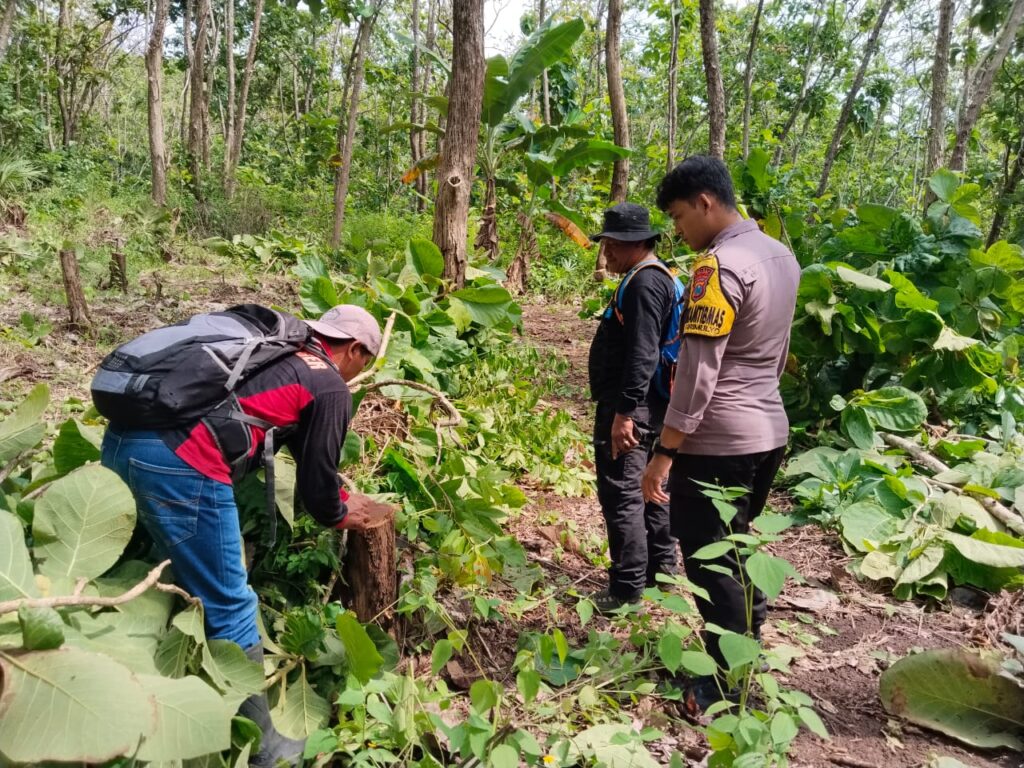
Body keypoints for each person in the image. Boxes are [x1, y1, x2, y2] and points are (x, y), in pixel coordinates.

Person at [99, 304, 385, 768]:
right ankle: (265, 751)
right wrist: (339, 514)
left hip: (120, 443)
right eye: (365, 361)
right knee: (231, 605)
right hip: (180, 464)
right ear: (354, 350)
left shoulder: (278, 354)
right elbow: (318, 490)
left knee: (155, 567)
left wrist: (336, 493)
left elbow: (299, 448)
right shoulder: (329, 383)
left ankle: (126, 679)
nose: (359, 372)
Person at [640, 155, 800, 711]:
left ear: (706, 203)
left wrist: (665, 451)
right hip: (767, 430)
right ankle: (744, 653)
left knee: (711, 561)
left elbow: (696, 372)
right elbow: (777, 351)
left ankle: (725, 683)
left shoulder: (716, 268)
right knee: (738, 549)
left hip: (717, 441)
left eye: (679, 217)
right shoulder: (780, 255)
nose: (679, 230)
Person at [588, 202, 681, 613]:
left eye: (612, 243)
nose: (606, 251)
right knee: (650, 487)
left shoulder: (644, 283)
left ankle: (626, 588)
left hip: (633, 408)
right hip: (651, 404)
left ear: (636, 243)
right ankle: (661, 572)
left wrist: (624, 413)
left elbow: (643, 353)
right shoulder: (656, 278)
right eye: (605, 242)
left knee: (623, 493)